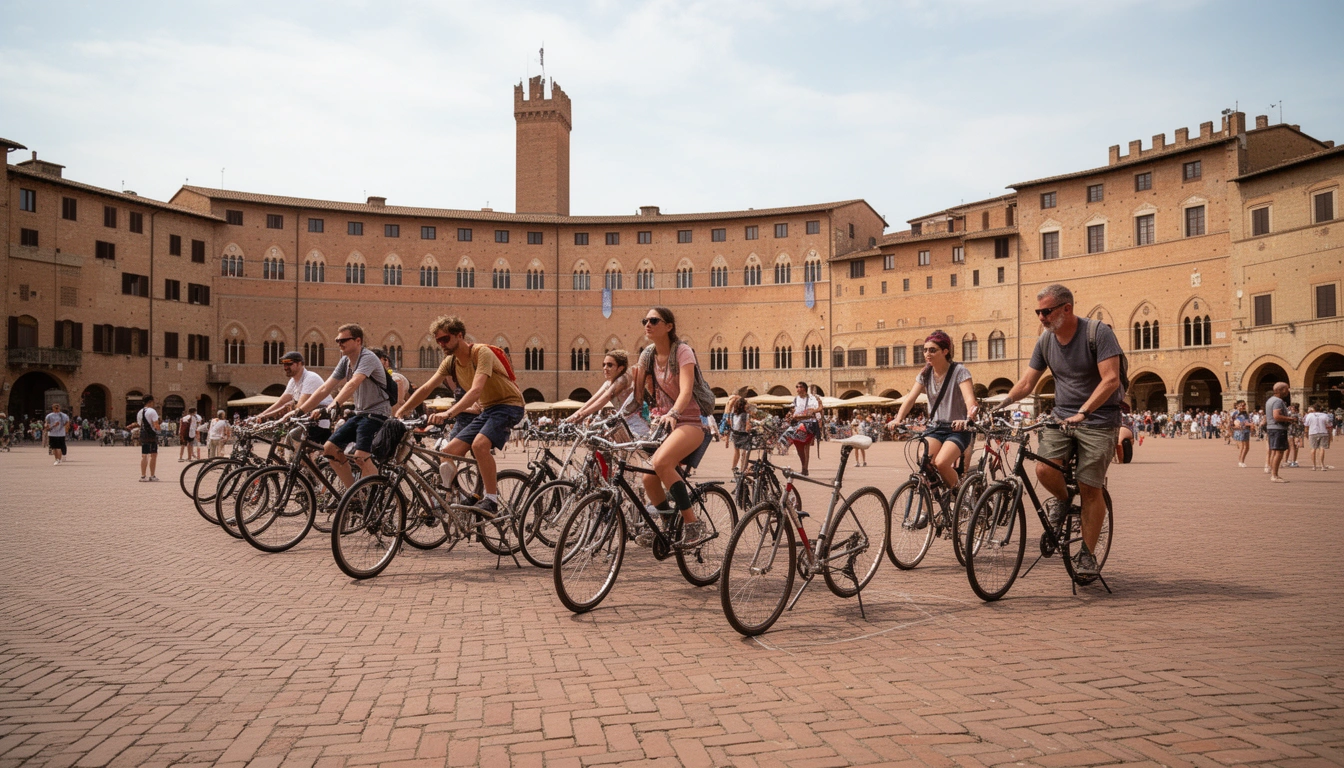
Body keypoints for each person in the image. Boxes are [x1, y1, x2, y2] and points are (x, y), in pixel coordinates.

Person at [999, 284, 1124, 579]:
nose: (1041, 317)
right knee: (1043, 470)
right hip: (1062, 418)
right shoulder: (1045, 340)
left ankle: (1088, 555)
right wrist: (1001, 403)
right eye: (1038, 312)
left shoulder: (1097, 333)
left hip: (1099, 419)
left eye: (1046, 311)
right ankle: (1064, 500)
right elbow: (1027, 383)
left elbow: (1111, 380)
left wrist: (1085, 412)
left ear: (1066, 308)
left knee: (1090, 488)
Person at [396, 315, 526, 515]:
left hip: (509, 405)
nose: (441, 344)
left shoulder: (481, 353)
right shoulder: (450, 362)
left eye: (445, 339)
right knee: (447, 452)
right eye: (438, 341)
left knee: (479, 445)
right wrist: (402, 410)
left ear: (460, 335)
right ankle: (451, 497)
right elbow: (426, 388)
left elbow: (475, 391)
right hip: (489, 409)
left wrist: (449, 413)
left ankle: (491, 500)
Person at [629, 306, 712, 545]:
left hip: (689, 423)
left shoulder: (682, 352)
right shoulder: (647, 355)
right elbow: (637, 397)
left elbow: (686, 390)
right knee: (648, 478)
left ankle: (692, 523)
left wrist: (674, 413)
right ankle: (667, 525)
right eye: (645, 320)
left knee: (661, 463)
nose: (648, 324)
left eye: (654, 320)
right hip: (664, 424)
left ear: (668, 326)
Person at [296, 324, 393, 491]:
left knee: (360, 457)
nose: (339, 343)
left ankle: (379, 497)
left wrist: (333, 406)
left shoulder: (368, 358)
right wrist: (300, 410)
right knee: (330, 449)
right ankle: (353, 496)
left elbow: (352, 384)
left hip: (377, 413)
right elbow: (325, 388)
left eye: (343, 340)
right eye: (337, 340)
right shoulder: (345, 361)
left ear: (358, 340)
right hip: (361, 413)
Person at [891, 331, 978, 494]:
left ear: (945, 351)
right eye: (925, 350)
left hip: (957, 429)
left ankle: (960, 496)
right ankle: (928, 509)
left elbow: (969, 399)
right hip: (935, 428)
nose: (927, 354)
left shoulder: (960, 371)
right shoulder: (925, 374)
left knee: (942, 462)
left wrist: (968, 418)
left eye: (932, 350)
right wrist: (898, 419)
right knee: (924, 462)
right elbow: (910, 399)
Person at [566, 349, 648, 438]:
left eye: (610, 365)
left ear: (620, 368)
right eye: (604, 364)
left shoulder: (623, 379)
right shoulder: (608, 383)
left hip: (638, 423)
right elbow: (593, 400)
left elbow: (606, 397)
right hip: (624, 423)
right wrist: (574, 415)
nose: (605, 368)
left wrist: (582, 415)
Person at [258, 351, 335, 445]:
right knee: (289, 443)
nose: (285, 367)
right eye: (284, 364)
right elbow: (281, 401)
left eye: (289, 364)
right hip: (306, 422)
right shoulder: (293, 381)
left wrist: (286, 411)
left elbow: (300, 406)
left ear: (300, 364)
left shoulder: (311, 378)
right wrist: (262, 415)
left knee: (292, 438)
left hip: (320, 422)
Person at [785, 381, 821, 476]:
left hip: (808, 424)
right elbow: (794, 409)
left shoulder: (812, 398)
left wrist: (813, 411)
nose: (798, 389)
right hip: (798, 423)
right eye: (797, 387)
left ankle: (805, 468)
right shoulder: (796, 399)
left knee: (806, 446)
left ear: (804, 388)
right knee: (798, 445)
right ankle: (803, 465)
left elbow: (820, 408)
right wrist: (791, 414)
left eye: (800, 387)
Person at [722, 393, 758, 474]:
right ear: (743, 405)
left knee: (736, 452)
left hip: (735, 434)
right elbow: (747, 427)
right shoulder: (746, 415)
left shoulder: (732, 414)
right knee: (744, 453)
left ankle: (734, 468)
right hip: (744, 435)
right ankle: (742, 470)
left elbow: (730, 423)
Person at [1264, 383, 1292, 483]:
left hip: (1272, 428)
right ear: (1281, 390)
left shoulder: (1270, 400)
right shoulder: (1278, 401)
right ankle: (1274, 475)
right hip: (1278, 429)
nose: (1288, 391)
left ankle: (1273, 474)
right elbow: (1276, 416)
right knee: (1279, 452)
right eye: (1287, 389)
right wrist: (1290, 419)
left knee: (1275, 452)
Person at [137, 395, 161, 482]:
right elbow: (155, 424)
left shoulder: (140, 412)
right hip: (151, 435)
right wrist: (159, 430)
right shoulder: (152, 411)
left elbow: (140, 424)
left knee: (144, 455)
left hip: (143, 434)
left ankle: (143, 476)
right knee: (153, 455)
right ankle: (152, 475)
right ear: (151, 401)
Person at [1303, 404, 1333, 471]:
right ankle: (1322, 465)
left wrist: (1306, 433)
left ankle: (1314, 466)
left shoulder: (1309, 415)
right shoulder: (1325, 415)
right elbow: (1329, 425)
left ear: (1313, 409)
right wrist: (1330, 434)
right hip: (1323, 432)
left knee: (1313, 449)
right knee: (1322, 449)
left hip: (1313, 432)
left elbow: (1306, 425)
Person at [1231, 400, 1252, 467]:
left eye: (1244, 405)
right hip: (1239, 431)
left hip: (1246, 430)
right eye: (1241, 405)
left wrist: (1250, 425)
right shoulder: (1235, 413)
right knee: (1242, 447)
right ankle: (1240, 461)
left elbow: (1248, 421)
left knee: (1247, 447)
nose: (1243, 407)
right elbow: (1231, 424)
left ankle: (1242, 460)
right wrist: (1235, 427)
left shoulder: (1246, 413)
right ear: (1237, 406)